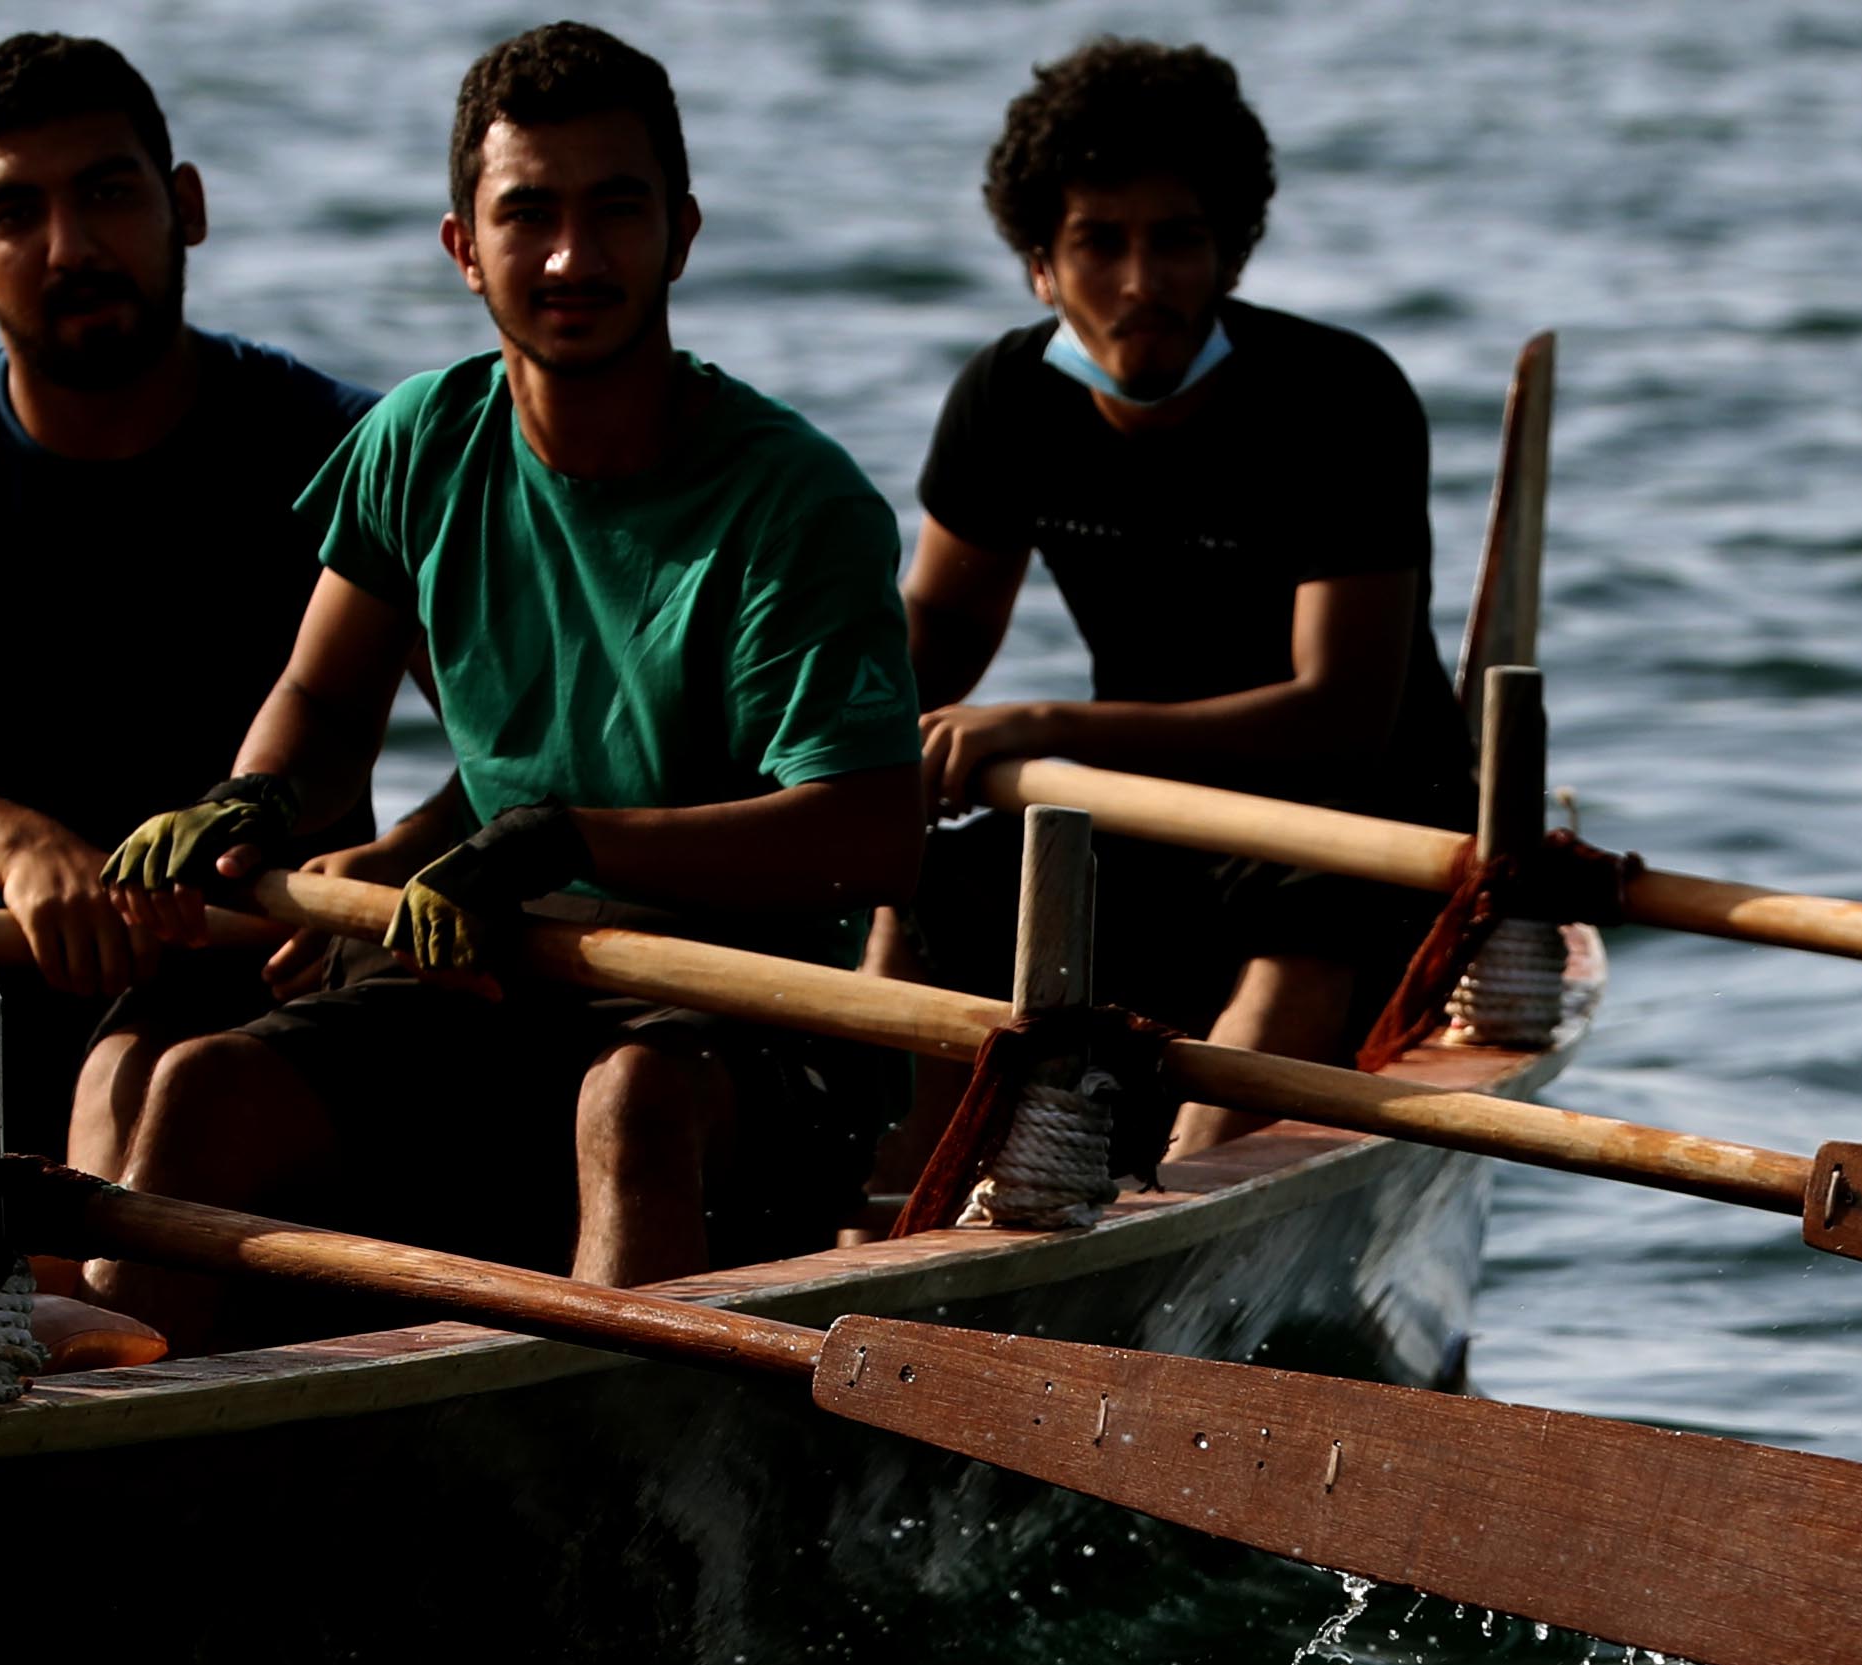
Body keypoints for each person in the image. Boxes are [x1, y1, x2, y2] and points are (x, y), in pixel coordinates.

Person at [93, 21, 918, 1315]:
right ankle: (124, 1462)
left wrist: (566, 840)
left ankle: (619, 1471)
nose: (572, 258)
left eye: (616, 211)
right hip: (500, 969)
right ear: (462, 247)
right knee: (202, 1091)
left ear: (682, 235)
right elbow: (320, 699)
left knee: (629, 1100)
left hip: (738, 1018)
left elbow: (872, 839)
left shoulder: (798, 504)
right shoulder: (420, 436)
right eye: (528, 214)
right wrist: (253, 797)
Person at [0, 31, 375, 1164]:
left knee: (153, 1084)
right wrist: (13, 843)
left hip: (271, 967)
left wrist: (385, 881)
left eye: (108, 193)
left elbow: (502, 744)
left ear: (186, 206)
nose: (71, 247)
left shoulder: (341, 451)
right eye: (16, 214)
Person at [889, 38, 1465, 1139]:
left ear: (1233, 255)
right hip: (1154, 804)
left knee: (1308, 912)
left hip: (1358, 819)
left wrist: (1042, 724)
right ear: (1040, 267)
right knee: (909, 879)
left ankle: (1191, 1197)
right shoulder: (1006, 401)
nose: (1142, 285)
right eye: (1100, 244)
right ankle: (884, 1214)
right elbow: (935, 645)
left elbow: (1340, 719)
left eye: (1177, 243)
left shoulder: (1342, 398)